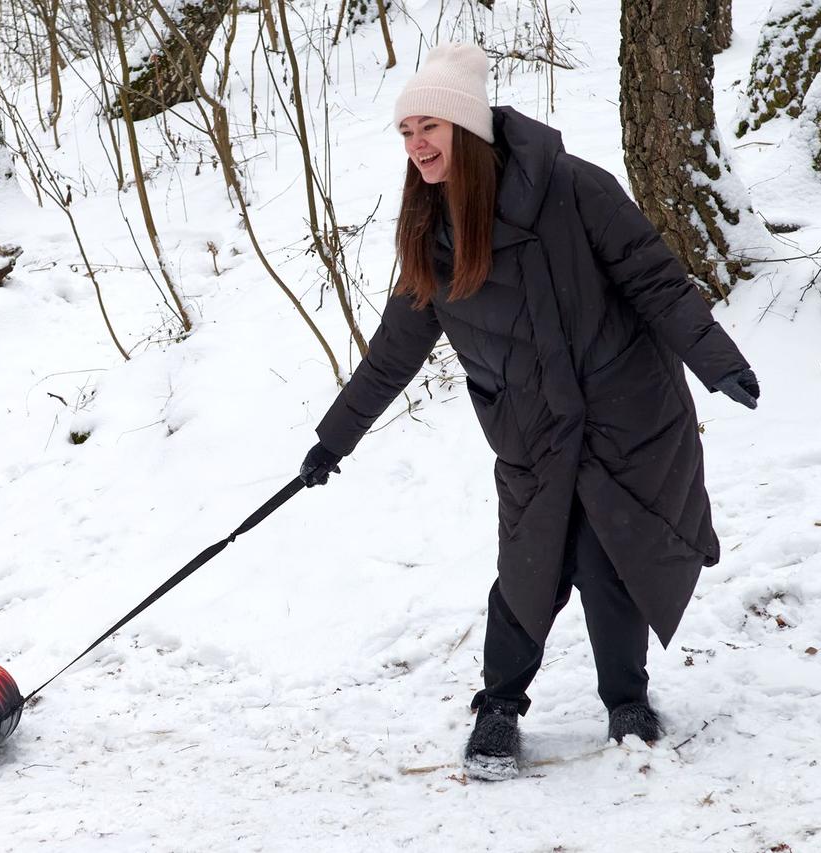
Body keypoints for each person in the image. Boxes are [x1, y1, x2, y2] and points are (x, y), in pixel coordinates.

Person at [298, 43, 759, 781]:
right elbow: (392, 354)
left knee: (611, 558)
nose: (416, 145)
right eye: (405, 131)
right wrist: (333, 441)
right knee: (527, 571)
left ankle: (627, 702)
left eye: (430, 128)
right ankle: (499, 709)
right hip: (531, 431)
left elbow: (654, 279)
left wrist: (718, 361)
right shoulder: (432, 237)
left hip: (620, 413)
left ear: (467, 130)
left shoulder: (575, 189)